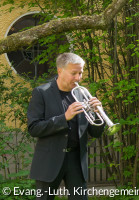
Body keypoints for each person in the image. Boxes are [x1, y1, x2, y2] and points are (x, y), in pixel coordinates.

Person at [27, 53, 106, 200]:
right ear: (60, 71)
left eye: (80, 73)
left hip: (76, 160)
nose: (78, 78)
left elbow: (94, 133)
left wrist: (98, 114)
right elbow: (34, 128)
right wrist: (64, 118)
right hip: (49, 160)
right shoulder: (41, 93)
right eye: (73, 73)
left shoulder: (83, 95)